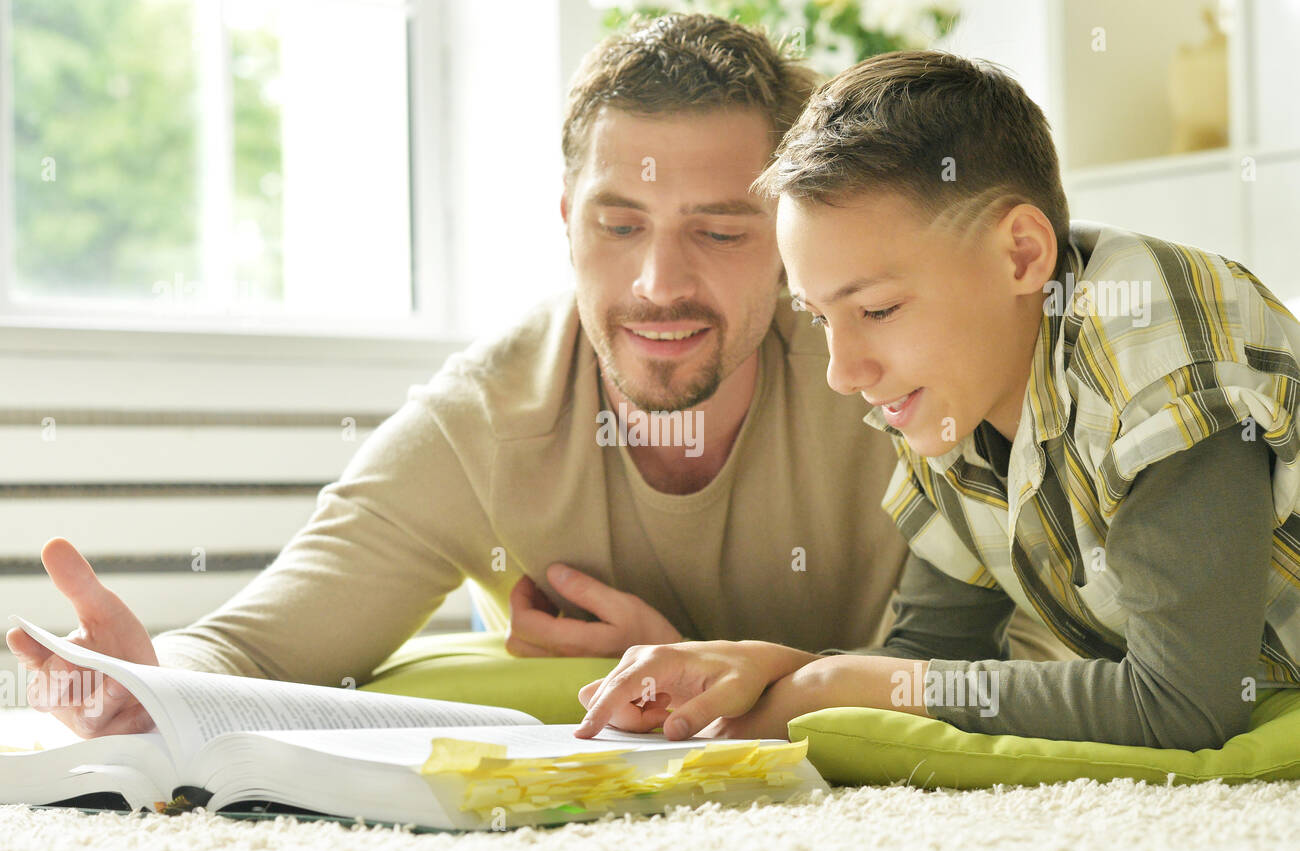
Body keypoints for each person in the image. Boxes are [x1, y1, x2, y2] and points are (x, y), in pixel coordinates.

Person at [10, 18, 1065, 741]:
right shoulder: (485, 422)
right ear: (565, 222)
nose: (659, 283)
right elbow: (251, 642)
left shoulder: (884, 370)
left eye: (719, 228)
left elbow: (1035, 658)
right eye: (618, 225)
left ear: (789, 236)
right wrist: (144, 683)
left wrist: (720, 667)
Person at [577, 49, 1300, 750]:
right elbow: (928, 655)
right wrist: (778, 667)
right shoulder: (955, 393)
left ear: (1020, 254)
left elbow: (1181, 703)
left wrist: (838, 681)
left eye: (879, 309)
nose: (844, 370)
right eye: (821, 318)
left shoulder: (1155, 354)